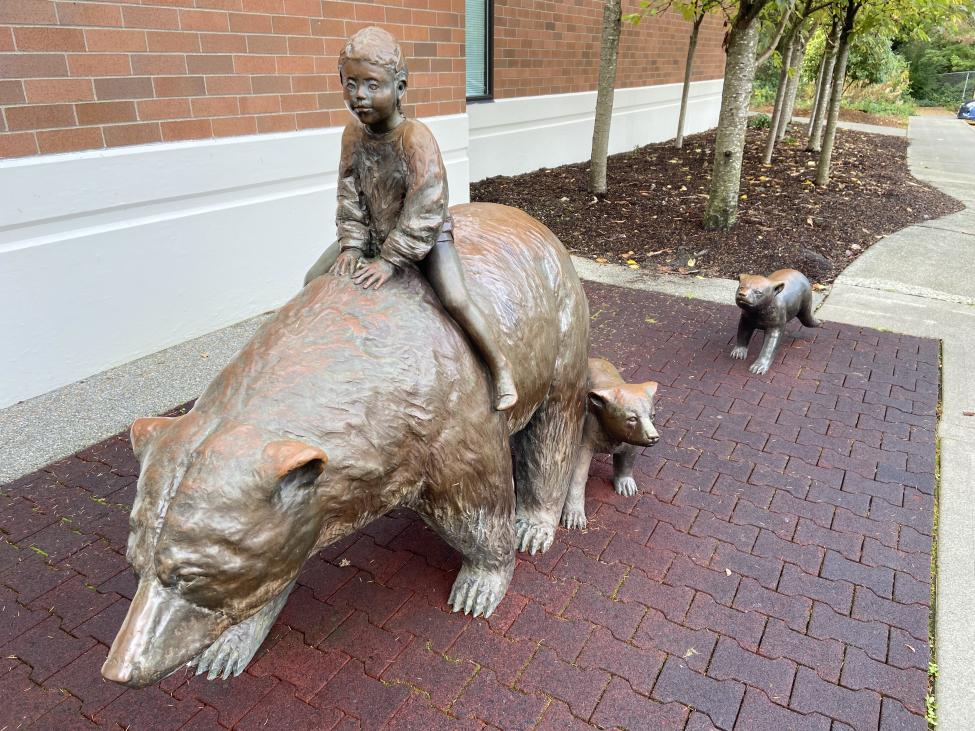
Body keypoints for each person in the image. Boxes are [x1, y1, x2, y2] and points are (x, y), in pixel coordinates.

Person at [304, 27, 517, 411]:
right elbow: (349, 191)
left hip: (426, 238)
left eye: (372, 85)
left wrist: (391, 260)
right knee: (312, 278)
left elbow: (427, 204)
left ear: (400, 87)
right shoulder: (352, 135)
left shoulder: (415, 138)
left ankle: (499, 366)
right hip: (370, 233)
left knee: (455, 298)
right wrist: (352, 244)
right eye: (350, 84)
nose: (360, 96)